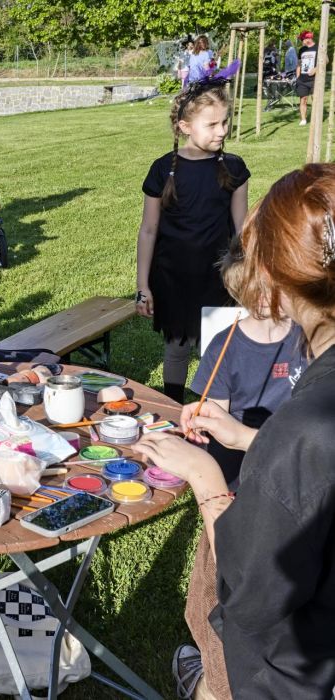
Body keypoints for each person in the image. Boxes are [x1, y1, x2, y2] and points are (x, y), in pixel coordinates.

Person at [137, 163, 335, 700]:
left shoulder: (304, 427)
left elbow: (248, 588)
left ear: (276, 276)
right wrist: (249, 440)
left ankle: (207, 679)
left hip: (286, 676)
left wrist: (204, 476)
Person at [135, 78, 250, 403]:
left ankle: (214, 413)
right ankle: (173, 407)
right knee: (177, 347)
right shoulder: (162, 170)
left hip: (218, 279)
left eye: (225, 121)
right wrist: (143, 285)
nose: (222, 131)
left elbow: (242, 229)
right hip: (173, 278)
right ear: (185, 126)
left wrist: (247, 276)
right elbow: (148, 230)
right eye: (212, 124)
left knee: (217, 349)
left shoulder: (234, 169)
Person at [190, 236, 306, 487]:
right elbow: (217, 420)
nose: (266, 298)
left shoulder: (306, 335)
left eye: (276, 288)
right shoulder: (223, 348)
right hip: (238, 459)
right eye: (256, 292)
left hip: (293, 452)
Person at [295, 30, 318, 125]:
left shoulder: (318, 48)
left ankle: (316, 118)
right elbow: (299, 64)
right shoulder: (302, 50)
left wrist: (316, 69)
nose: (302, 41)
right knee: (303, 99)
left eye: (302, 39)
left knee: (315, 99)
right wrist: (298, 77)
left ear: (308, 39)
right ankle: (303, 119)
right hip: (302, 80)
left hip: (315, 79)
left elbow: (326, 60)